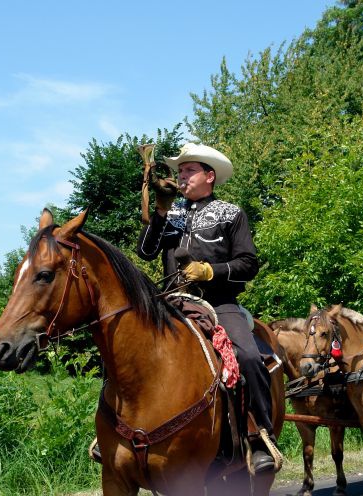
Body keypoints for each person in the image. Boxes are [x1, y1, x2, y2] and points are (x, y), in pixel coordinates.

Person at [137, 142, 277, 472]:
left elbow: (248, 263)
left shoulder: (231, 213)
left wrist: (212, 271)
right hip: (171, 304)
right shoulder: (169, 213)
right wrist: (159, 211)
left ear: (209, 176)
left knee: (248, 357)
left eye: (189, 170)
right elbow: (145, 252)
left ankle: (260, 438)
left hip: (219, 303)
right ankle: (117, 432)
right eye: (180, 170)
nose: (181, 176)